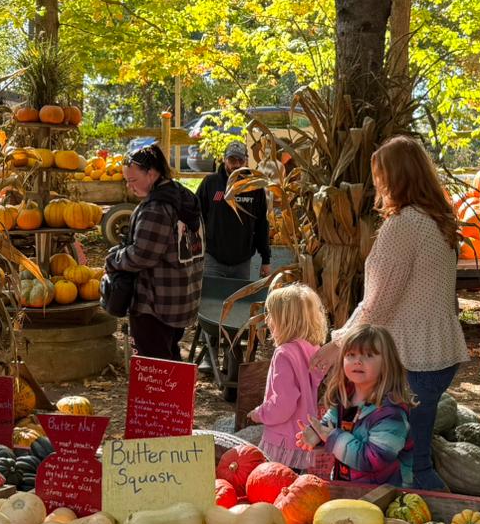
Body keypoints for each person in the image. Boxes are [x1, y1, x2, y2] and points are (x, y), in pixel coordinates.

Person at [309, 136, 466, 490]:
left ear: (395, 177)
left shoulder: (404, 225)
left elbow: (378, 304)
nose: (376, 184)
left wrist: (339, 344)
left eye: (379, 175)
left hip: (412, 357)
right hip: (438, 351)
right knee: (415, 450)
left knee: (410, 464)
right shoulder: (437, 219)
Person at [106, 143, 205, 360]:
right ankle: (178, 394)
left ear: (151, 174)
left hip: (155, 305)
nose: (129, 187)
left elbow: (142, 255)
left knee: (155, 368)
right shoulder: (184, 197)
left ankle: (169, 395)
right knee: (169, 358)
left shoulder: (156, 208)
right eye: (126, 181)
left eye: (133, 180)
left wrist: (114, 259)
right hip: (181, 299)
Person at [298, 323, 414, 486]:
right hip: (349, 486)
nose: (358, 361)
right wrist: (316, 434)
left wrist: (331, 437)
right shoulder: (346, 396)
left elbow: (372, 460)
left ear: (387, 363)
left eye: (368, 355)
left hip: (383, 494)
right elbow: (330, 424)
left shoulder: (390, 413)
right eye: (351, 355)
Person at [245, 282, 326, 470]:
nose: (267, 321)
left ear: (282, 320)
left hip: (284, 441)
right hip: (307, 435)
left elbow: (283, 404)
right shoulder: (314, 349)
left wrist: (259, 413)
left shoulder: (283, 354)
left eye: (270, 316)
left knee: (277, 484)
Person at [197, 140, 272, 283]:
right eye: (232, 159)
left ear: (246, 161)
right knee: (212, 301)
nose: (236, 164)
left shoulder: (255, 188)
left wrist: (266, 259)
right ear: (224, 159)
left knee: (238, 303)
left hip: (242, 262)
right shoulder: (210, 183)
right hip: (213, 259)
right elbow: (196, 215)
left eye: (240, 160)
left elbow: (262, 224)